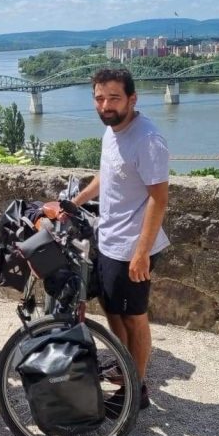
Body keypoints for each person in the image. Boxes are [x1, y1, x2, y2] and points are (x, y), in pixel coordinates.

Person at [68, 68, 169, 410]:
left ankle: (136, 390)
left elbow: (159, 198)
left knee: (134, 317)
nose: (106, 105)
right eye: (99, 98)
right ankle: (125, 367)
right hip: (109, 239)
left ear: (132, 99)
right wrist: (72, 203)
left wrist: (141, 253)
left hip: (133, 247)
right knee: (114, 311)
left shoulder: (147, 139)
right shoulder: (112, 131)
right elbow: (106, 176)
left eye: (114, 98)